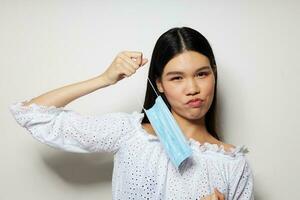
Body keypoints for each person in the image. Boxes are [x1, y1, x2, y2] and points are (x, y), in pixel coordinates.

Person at [9, 27, 254, 200]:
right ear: (159, 84)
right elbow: (32, 114)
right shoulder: (131, 134)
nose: (192, 89)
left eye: (202, 74)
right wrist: (104, 79)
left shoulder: (232, 162)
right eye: (177, 77)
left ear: (214, 74)